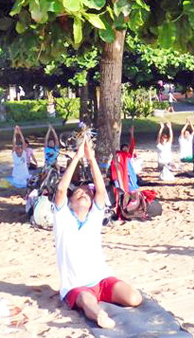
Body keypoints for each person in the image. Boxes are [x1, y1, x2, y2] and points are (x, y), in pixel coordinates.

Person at [53, 134, 142, 329]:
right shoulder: (63, 218)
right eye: (78, 193)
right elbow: (61, 190)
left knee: (135, 298)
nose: (83, 194)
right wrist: (77, 157)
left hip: (102, 278)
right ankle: (100, 316)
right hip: (77, 286)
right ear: (70, 202)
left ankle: (101, 309)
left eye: (87, 194)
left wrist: (91, 158)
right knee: (87, 301)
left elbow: (101, 191)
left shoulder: (94, 217)